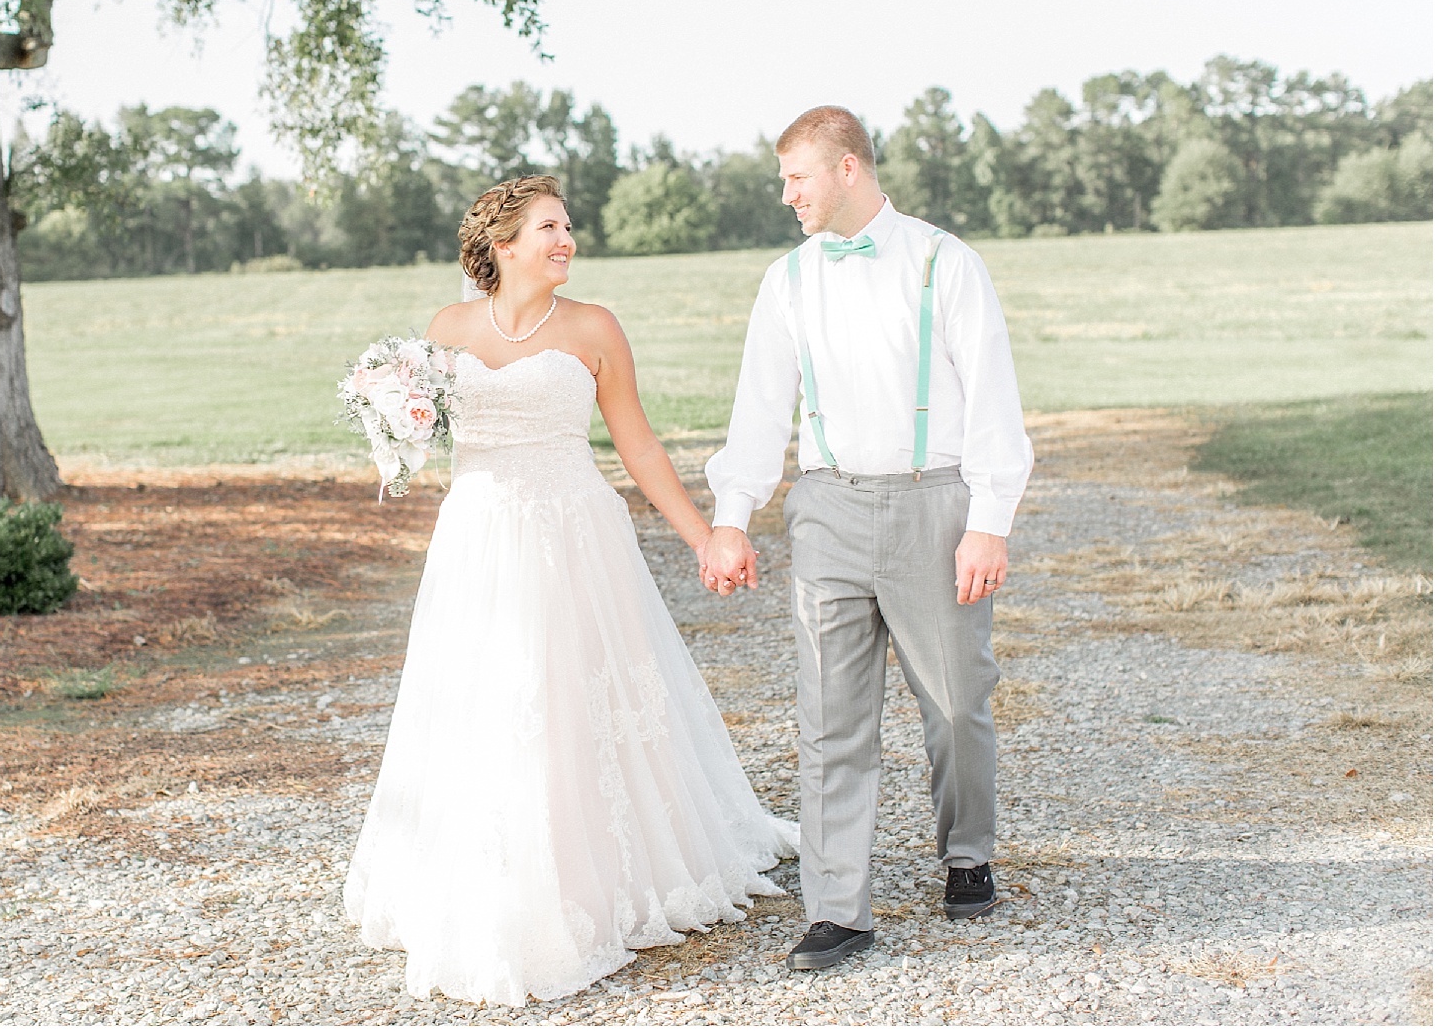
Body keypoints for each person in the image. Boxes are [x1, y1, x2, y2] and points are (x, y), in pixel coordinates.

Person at [343, 175, 797, 1007]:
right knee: (484, 700)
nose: (568, 239)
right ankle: (487, 878)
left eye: (568, 226)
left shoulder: (594, 329)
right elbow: (421, 430)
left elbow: (642, 445)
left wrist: (706, 538)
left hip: (575, 538)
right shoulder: (445, 331)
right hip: (478, 537)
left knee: (569, 698)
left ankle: (595, 875)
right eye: (550, 227)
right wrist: (395, 425)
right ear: (503, 244)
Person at [701, 106, 1033, 971]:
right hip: (827, 508)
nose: (787, 196)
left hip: (936, 503)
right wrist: (732, 514)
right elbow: (759, 406)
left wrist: (988, 521)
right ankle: (837, 906)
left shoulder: (942, 261)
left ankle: (967, 852)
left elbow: (994, 397)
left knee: (957, 700)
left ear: (847, 168)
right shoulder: (787, 280)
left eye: (797, 178)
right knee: (830, 715)